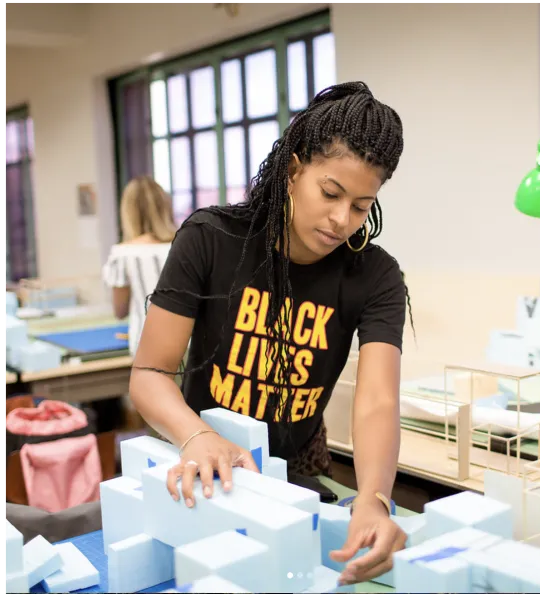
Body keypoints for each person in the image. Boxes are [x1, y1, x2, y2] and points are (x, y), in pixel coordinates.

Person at [130, 82, 414, 586]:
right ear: (293, 168)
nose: (340, 220)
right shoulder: (211, 240)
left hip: (301, 466)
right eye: (330, 193)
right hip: (202, 454)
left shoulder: (375, 276)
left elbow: (375, 402)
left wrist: (374, 498)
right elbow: (150, 372)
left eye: (360, 206)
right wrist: (197, 435)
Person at [102, 175, 177, 356]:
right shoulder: (185, 245)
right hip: (190, 344)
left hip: (147, 347)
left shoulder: (123, 254)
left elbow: (119, 311)